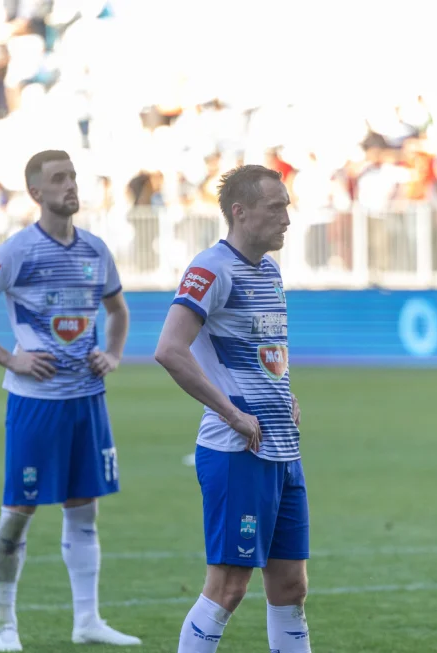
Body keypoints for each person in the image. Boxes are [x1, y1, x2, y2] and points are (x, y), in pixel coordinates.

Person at [0, 150, 140, 651]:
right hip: (36, 404)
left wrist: (113, 354)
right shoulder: (16, 252)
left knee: (84, 510)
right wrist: (10, 360)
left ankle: (87, 620)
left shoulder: (96, 249)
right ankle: (4, 624)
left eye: (72, 176)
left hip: (87, 400)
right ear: (36, 192)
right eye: (58, 178)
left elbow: (118, 310)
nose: (70, 186)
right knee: (18, 511)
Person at [153, 164, 310, 653]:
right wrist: (230, 412)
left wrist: (285, 396)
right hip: (237, 450)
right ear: (240, 213)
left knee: (291, 587)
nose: (287, 218)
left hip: (282, 448)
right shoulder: (211, 269)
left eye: (287, 206)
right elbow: (170, 350)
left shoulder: (270, 271)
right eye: (276, 208)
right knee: (228, 589)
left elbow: (264, 352)